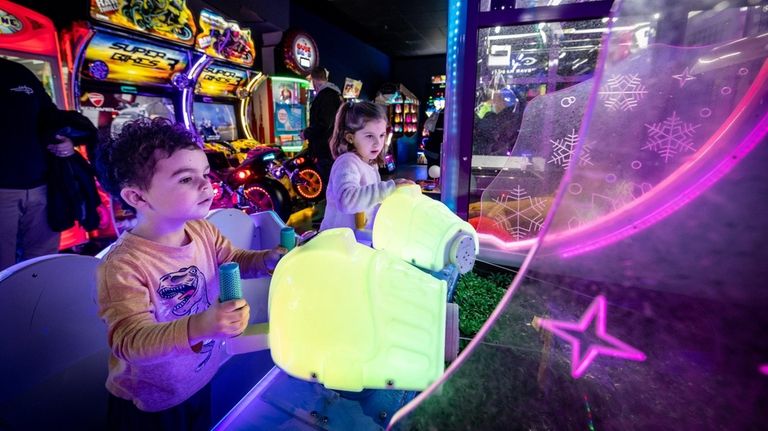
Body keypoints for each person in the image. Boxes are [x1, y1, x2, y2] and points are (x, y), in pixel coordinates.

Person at [94, 117, 286, 430]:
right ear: (137, 197)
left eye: (205, 175)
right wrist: (201, 325)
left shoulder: (203, 231)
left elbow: (232, 260)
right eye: (186, 179)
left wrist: (268, 260)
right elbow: (129, 340)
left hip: (197, 378)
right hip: (151, 403)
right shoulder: (123, 265)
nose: (206, 186)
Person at [0, 57, 77, 270]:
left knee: (41, 263)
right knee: (3, 270)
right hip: (3, 192)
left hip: (42, 185)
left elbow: (51, 117)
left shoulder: (18, 72)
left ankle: (35, 304)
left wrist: (68, 141)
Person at [320, 101, 413, 232]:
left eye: (381, 135)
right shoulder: (347, 162)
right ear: (350, 137)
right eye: (369, 136)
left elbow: (370, 201)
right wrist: (390, 188)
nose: (377, 143)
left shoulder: (370, 164)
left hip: (357, 241)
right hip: (336, 243)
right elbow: (347, 201)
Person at [302, 66, 342, 194]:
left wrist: (306, 133)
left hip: (325, 148)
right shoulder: (334, 94)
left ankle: (330, 210)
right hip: (332, 145)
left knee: (330, 184)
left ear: (314, 80)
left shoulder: (326, 96)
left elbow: (324, 124)